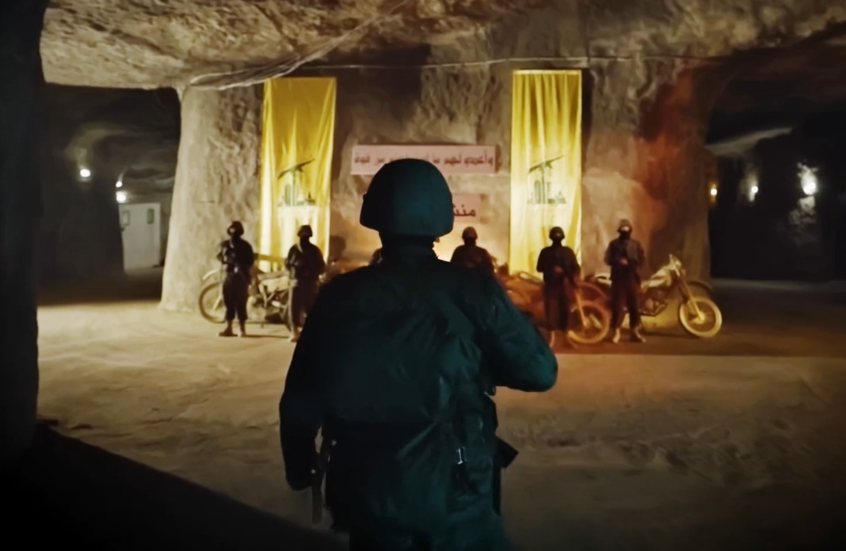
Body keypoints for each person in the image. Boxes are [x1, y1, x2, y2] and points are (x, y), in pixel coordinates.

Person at [278, 159, 557, 551]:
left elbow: (302, 395)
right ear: (442, 215)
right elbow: (539, 372)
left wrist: (299, 466)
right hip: (455, 490)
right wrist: (478, 361)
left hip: (365, 491)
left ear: (374, 214)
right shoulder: (474, 291)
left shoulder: (339, 295)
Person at [536, 227, 580, 348]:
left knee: (565, 311)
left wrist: (567, 273)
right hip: (551, 285)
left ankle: (566, 338)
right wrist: (551, 268)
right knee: (551, 312)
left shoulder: (568, 252)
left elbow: (575, 267)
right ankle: (552, 339)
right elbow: (539, 267)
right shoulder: (546, 252)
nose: (557, 239)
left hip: (564, 285)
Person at [604, 218, 646, 344]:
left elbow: (642, 259)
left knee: (634, 306)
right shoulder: (613, 244)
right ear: (619, 230)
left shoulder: (636, 244)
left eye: (627, 228)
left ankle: (634, 331)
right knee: (618, 306)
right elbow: (607, 259)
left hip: (632, 277)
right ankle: (616, 332)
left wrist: (631, 262)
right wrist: (618, 261)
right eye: (623, 228)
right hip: (618, 279)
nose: (625, 230)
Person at [285, 224, 326, 342]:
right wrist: (294, 267)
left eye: (306, 235)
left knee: (310, 309)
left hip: (309, 283)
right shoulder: (294, 250)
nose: (304, 237)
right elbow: (287, 264)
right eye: (302, 234)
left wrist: (310, 271)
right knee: (293, 309)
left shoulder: (314, 250)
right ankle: (294, 332)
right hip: (296, 282)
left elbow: (321, 267)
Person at [216, 221, 254, 337]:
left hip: (241, 277)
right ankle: (229, 328)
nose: (234, 233)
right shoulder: (225, 245)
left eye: (236, 230)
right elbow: (219, 256)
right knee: (228, 302)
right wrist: (227, 259)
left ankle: (242, 329)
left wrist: (240, 264)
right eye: (232, 230)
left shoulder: (245, 246)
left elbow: (250, 261)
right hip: (228, 276)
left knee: (241, 303)